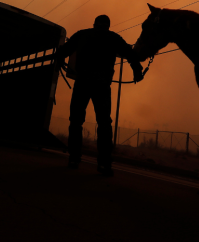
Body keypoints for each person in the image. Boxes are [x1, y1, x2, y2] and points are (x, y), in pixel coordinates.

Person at [57, 15, 144, 176]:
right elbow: (130, 54)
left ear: (94, 24)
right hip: (102, 86)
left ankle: (74, 159)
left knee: (76, 121)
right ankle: (104, 163)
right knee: (104, 124)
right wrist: (137, 71)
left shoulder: (82, 35)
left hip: (82, 83)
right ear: (108, 26)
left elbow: (63, 51)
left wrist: (59, 60)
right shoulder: (114, 38)